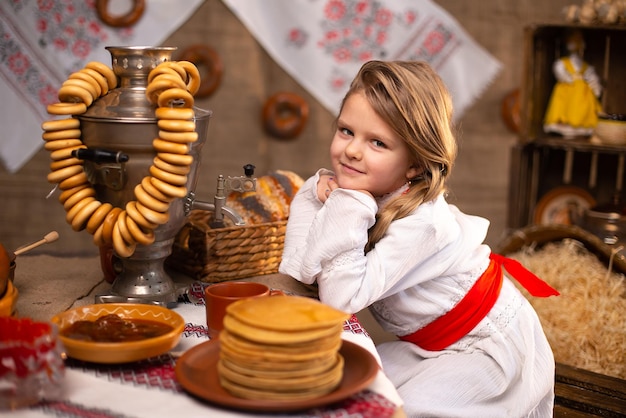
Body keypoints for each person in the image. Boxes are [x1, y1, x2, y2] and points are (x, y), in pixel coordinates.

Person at [279, 60, 559, 417]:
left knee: (396, 410)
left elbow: (339, 299)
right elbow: (300, 269)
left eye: (377, 142)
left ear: (414, 164)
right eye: (346, 131)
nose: (352, 150)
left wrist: (346, 204)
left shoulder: (423, 223)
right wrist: (321, 200)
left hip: (484, 349)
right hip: (429, 346)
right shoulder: (371, 190)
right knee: (339, 390)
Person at [543, 29, 603, 138]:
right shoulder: (563, 63)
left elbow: (592, 77)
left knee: (582, 109)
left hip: (581, 92)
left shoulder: (585, 66)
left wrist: (595, 86)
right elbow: (560, 72)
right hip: (568, 90)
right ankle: (564, 125)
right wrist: (568, 79)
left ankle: (580, 127)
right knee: (564, 108)